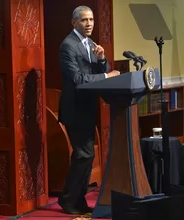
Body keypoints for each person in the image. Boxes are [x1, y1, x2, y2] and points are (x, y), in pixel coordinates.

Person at [57, 6, 120, 214]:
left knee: (87, 156)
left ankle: (77, 199)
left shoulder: (90, 43)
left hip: (88, 107)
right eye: (84, 20)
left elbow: (96, 72)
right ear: (74, 22)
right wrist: (106, 76)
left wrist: (102, 60)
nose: (89, 23)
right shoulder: (68, 46)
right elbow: (78, 80)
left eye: (91, 19)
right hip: (74, 109)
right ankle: (67, 199)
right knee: (83, 155)